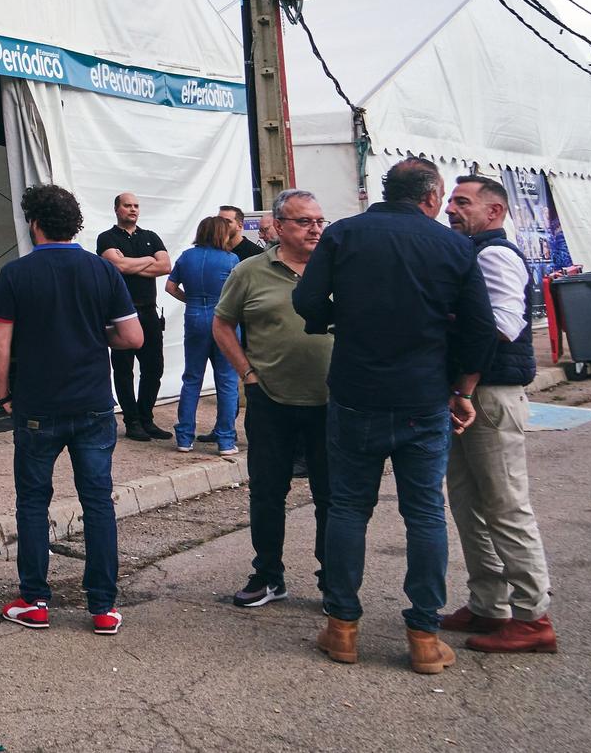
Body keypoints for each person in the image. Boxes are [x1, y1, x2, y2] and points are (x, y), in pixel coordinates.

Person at [296, 157, 498, 674]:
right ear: (430, 197)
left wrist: (336, 319)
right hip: (423, 396)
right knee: (425, 512)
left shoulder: (344, 235)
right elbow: (479, 328)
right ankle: (424, 637)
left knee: (346, 507)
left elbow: (308, 299)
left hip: (356, 391)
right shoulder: (453, 245)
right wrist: (465, 390)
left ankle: (342, 628)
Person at [0, 184, 142, 636]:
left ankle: (34, 600)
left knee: (33, 503)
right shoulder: (102, 271)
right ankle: (102, 607)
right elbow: (133, 338)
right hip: (93, 403)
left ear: (34, 223)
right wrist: (97, 339)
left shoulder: (16, 274)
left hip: (37, 405)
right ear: (75, 222)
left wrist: (2, 396)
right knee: (98, 504)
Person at [440, 175, 558, 653]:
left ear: (495, 212)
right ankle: (489, 605)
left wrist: (437, 315)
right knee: (469, 505)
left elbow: (505, 327)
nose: (451, 208)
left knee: (506, 506)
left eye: (462, 202)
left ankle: (533, 617)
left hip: (490, 396)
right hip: (466, 394)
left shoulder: (494, 256)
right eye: (450, 198)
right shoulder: (470, 254)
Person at [210, 189, 335, 609]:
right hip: (271, 400)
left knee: (331, 495)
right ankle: (268, 575)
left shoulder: (340, 267)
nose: (315, 228)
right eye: (304, 221)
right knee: (267, 492)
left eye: (320, 220)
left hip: (331, 402)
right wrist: (247, 374)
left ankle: (332, 577)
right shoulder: (249, 271)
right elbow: (222, 325)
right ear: (279, 227)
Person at [96, 193, 171, 441]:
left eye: (136, 206)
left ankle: (146, 417)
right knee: (124, 369)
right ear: (116, 209)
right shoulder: (107, 238)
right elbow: (118, 267)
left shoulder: (150, 237)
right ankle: (132, 421)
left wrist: (133, 262)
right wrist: (148, 261)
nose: (133, 209)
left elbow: (165, 266)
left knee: (154, 367)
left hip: (149, 311)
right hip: (120, 313)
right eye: (127, 205)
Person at [165, 216, 241, 455]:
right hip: (224, 318)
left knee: (192, 378)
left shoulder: (187, 256)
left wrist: (192, 300)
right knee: (227, 380)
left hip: (195, 316)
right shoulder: (230, 259)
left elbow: (170, 287)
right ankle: (226, 441)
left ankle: (185, 438)